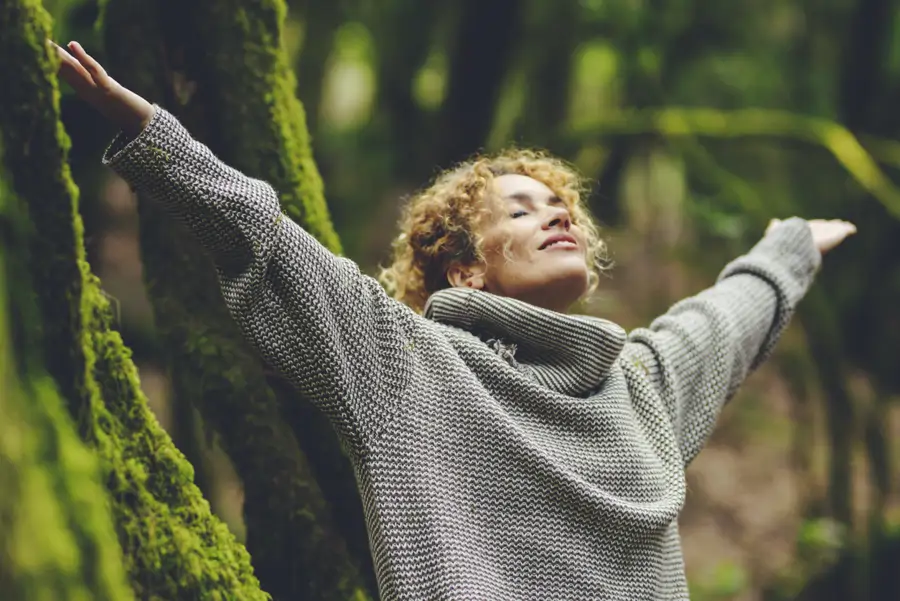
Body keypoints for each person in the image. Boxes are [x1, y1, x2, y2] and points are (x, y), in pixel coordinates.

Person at [54, 40, 856, 601]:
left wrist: (792, 250)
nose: (557, 217)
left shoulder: (640, 388)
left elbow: (722, 320)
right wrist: (148, 131)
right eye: (523, 208)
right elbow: (270, 241)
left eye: (562, 207)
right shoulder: (406, 366)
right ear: (466, 267)